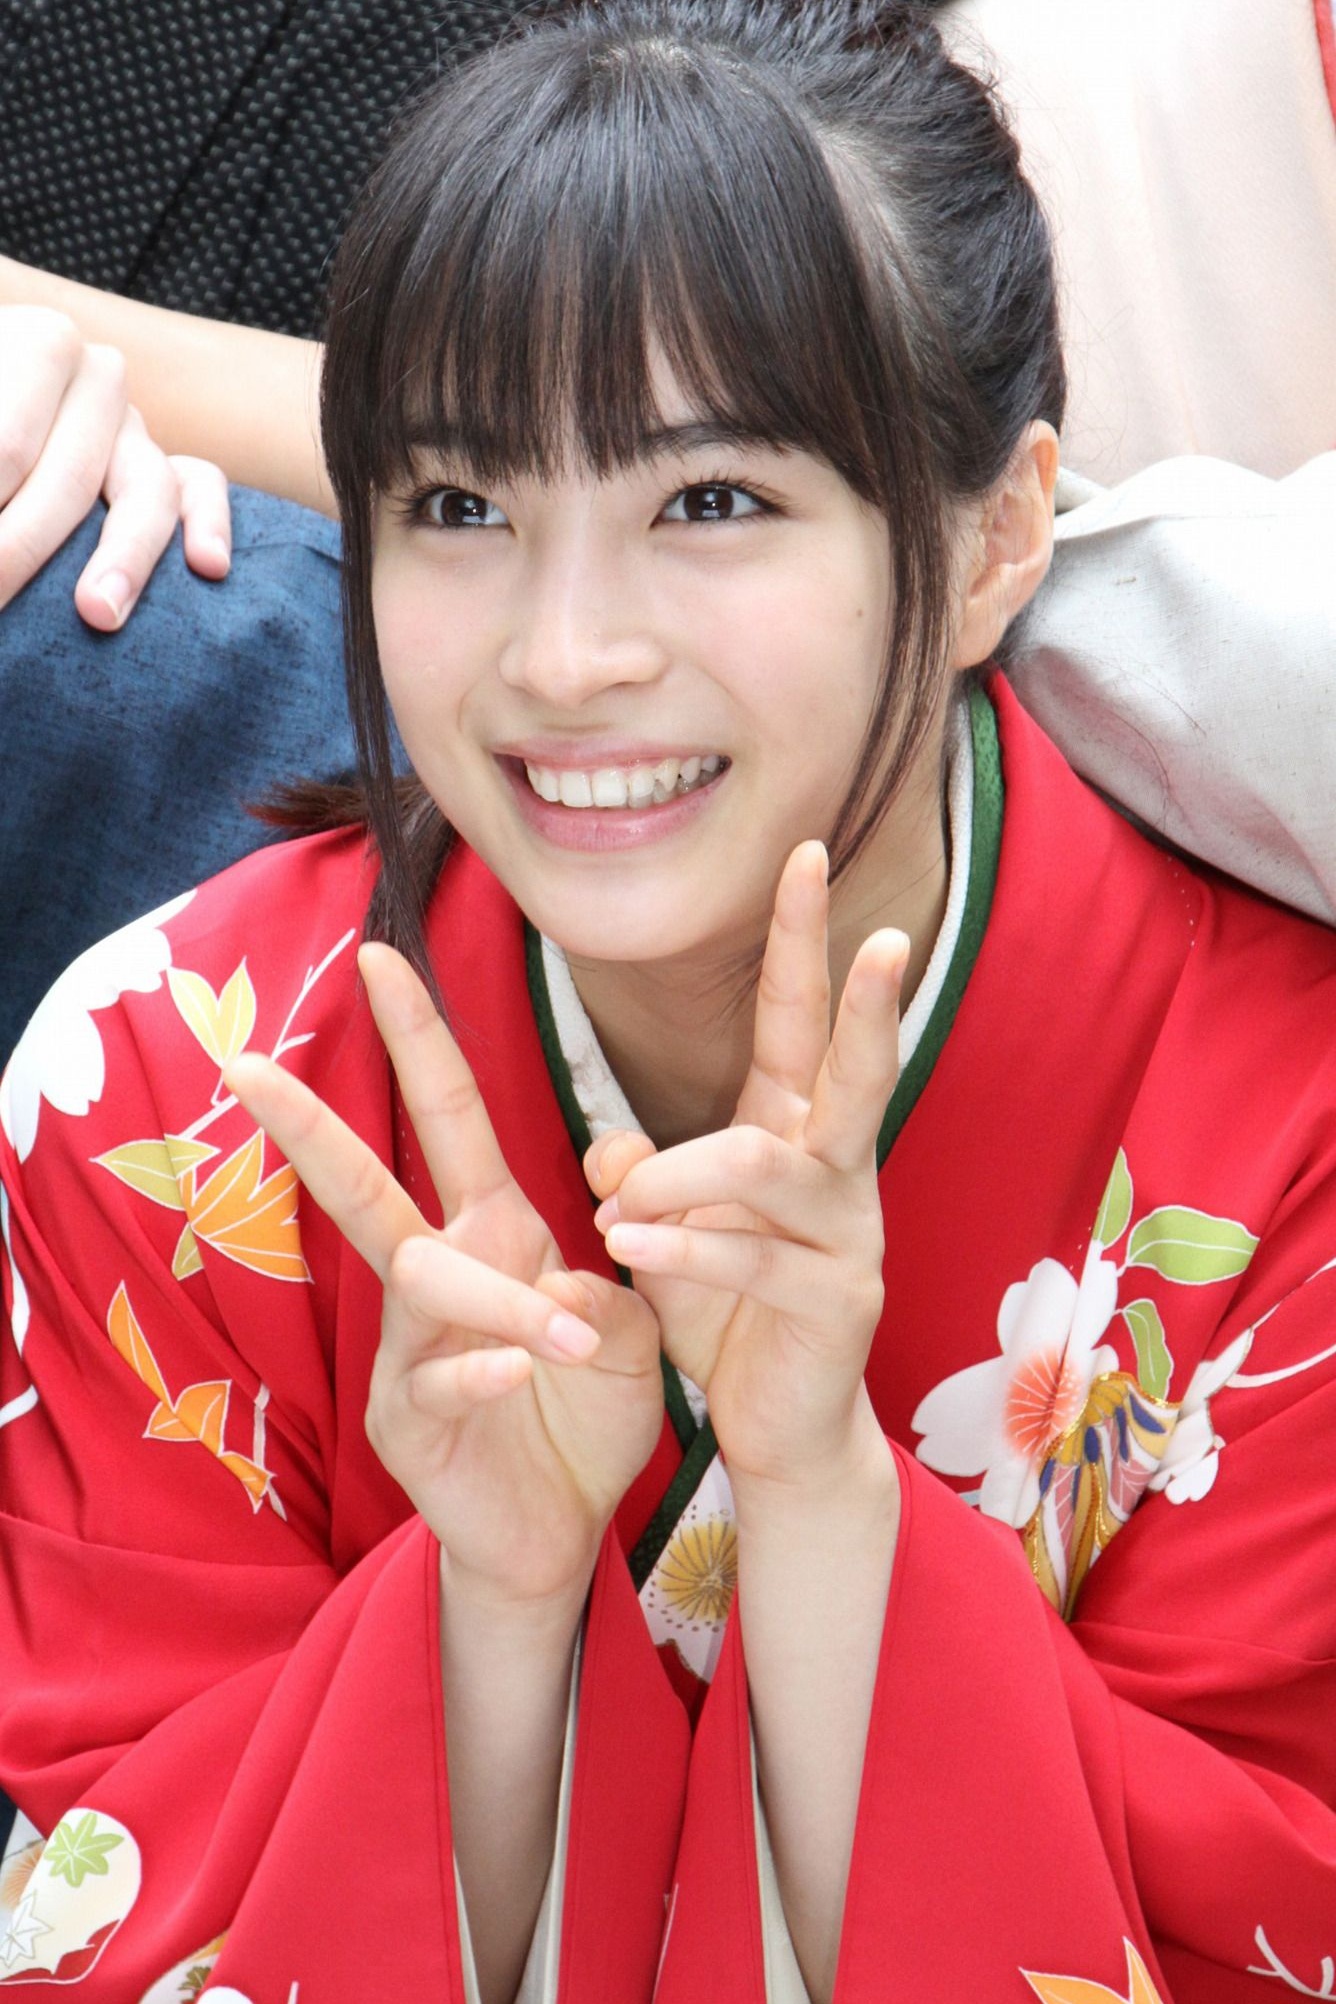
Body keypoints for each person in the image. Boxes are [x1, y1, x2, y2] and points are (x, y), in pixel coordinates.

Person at [2, 4, 1336, 1997]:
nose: (563, 657)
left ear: (995, 536)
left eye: (709, 501)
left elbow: (1266, 1919)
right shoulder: (161, 1096)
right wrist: (489, 1619)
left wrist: (831, 1522)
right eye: (459, 506)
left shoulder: (1297, 1151)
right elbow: (107, 1901)